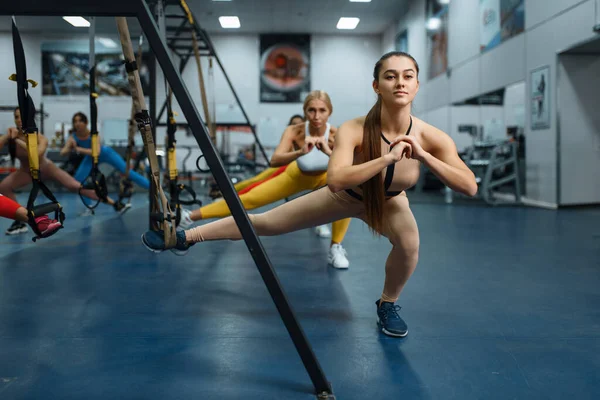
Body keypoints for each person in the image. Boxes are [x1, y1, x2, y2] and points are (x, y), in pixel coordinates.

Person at [142, 52, 478, 337]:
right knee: (266, 222)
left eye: (408, 76)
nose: (400, 82)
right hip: (347, 196)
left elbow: (469, 186)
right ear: (377, 86)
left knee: (409, 244)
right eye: (390, 76)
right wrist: (386, 158)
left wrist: (425, 156)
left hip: (392, 201)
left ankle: (387, 303)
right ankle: (187, 236)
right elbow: (335, 179)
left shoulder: (431, 137)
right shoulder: (353, 128)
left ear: (417, 84)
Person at [178, 92, 352, 269]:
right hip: (297, 175)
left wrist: (328, 151)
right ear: (305, 111)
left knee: (346, 194)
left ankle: (335, 247)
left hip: (324, 177)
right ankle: (189, 217)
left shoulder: (337, 135)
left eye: (322, 110)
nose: (316, 116)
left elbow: (347, 166)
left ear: (329, 112)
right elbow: (275, 160)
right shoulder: (294, 131)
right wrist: (300, 152)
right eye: (311, 110)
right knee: (250, 198)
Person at [0, 108, 125, 235]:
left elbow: (37, 154)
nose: (19, 120)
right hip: (26, 172)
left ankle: (115, 204)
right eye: (16, 117)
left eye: (22, 116)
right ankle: (20, 222)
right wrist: (7, 136)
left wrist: (17, 140)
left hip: (46, 168)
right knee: (4, 186)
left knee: (76, 187)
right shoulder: (11, 135)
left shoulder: (38, 137)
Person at [61, 111, 150, 197]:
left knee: (128, 173)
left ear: (86, 122)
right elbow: (63, 153)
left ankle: (154, 189)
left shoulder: (93, 134)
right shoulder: (73, 137)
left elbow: (96, 152)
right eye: (75, 121)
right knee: (78, 180)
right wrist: (70, 147)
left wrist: (77, 149)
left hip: (106, 153)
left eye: (80, 121)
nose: (77, 123)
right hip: (90, 157)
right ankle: (90, 206)